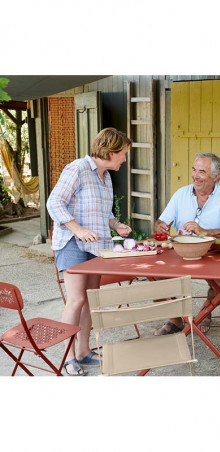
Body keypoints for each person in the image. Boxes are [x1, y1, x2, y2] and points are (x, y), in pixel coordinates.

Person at [46, 128, 132, 376]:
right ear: (110, 151)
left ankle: (83, 351)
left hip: (97, 245)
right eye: (123, 154)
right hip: (72, 243)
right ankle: (68, 357)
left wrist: (116, 224)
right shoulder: (78, 169)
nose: (125, 159)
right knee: (76, 299)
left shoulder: (106, 177)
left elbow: (103, 215)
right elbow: (55, 202)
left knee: (90, 300)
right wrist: (78, 228)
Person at [154, 152, 220, 335]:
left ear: (215, 176)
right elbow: (160, 222)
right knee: (154, 275)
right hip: (181, 253)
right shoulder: (180, 194)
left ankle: (205, 312)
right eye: (194, 170)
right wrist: (161, 226)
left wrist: (204, 231)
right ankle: (176, 318)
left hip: (215, 254)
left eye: (202, 172)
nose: (195, 176)